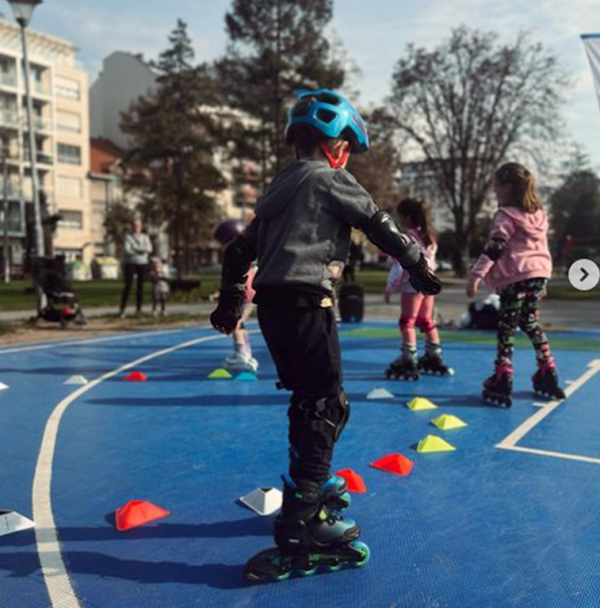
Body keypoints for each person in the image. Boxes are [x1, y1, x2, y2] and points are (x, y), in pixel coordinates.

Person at [210, 88, 441, 582]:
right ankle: (301, 524)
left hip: (272, 307)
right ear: (337, 146)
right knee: (329, 405)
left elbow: (238, 253)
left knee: (308, 398)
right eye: (347, 151)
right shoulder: (330, 178)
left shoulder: (279, 187)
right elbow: (376, 222)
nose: (346, 160)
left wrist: (232, 300)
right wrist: (416, 263)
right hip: (307, 302)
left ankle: (307, 481)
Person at [467, 162, 566, 407]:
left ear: (509, 187)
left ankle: (503, 375)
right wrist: (540, 279)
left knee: (507, 325)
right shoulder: (539, 215)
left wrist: (475, 276)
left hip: (517, 276)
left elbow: (496, 247)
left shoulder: (506, 215)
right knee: (530, 321)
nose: (495, 192)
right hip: (539, 274)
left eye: (497, 187)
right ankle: (547, 370)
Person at [384, 198, 453, 379]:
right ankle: (434, 355)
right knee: (426, 321)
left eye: (399, 217)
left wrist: (391, 287)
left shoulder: (406, 238)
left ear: (406, 217)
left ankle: (409, 359)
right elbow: (432, 263)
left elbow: (400, 266)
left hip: (412, 284)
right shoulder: (428, 237)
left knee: (407, 322)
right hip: (427, 283)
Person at [213, 219, 259, 373]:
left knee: (235, 323)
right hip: (249, 295)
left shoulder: (237, 256)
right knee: (241, 323)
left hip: (242, 294)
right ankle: (246, 353)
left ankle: (241, 355)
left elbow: (237, 279)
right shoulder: (248, 257)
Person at [119, 218, 152, 318]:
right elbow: (127, 250)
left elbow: (149, 249)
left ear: (141, 227)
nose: (136, 227)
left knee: (140, 287)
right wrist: (142, 250)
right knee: (128, 286)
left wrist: (135, 248)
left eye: (138, 225)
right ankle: (122, 309)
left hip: (143, 263)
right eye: (135, 225)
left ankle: (139, 309)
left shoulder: (145, 237)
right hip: (130, 263)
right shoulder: (128, 237)